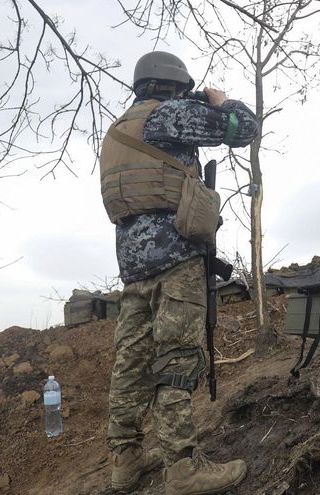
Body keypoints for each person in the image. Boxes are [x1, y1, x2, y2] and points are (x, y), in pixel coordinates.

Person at [99, 51, 259, 495]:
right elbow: (242, 129)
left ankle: (125, 463)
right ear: (173, 85)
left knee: (130, 363)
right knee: (176, 361)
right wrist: (221, 101)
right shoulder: (169, 116)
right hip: (176, 260)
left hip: (132, 267)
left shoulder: (117, 130)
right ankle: (182, 470)